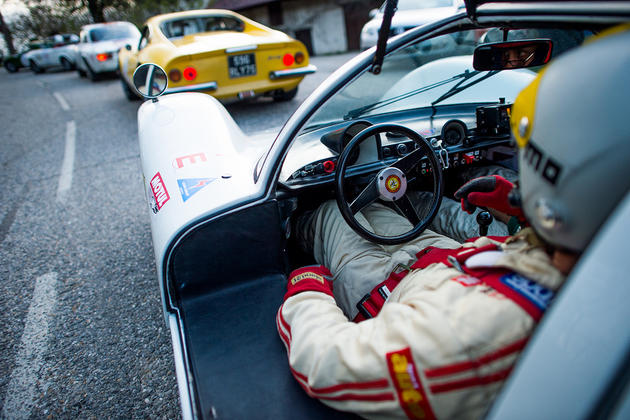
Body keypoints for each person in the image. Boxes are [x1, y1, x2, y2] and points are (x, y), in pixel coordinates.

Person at [276, 28, 630, 419]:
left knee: (331, 214)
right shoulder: (601, 270)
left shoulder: (465, 343)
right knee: (386, 212)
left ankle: (298, 229)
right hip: (452, 262)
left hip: (390, 291)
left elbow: (325, 362)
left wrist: (306, 287)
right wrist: (527, 215)